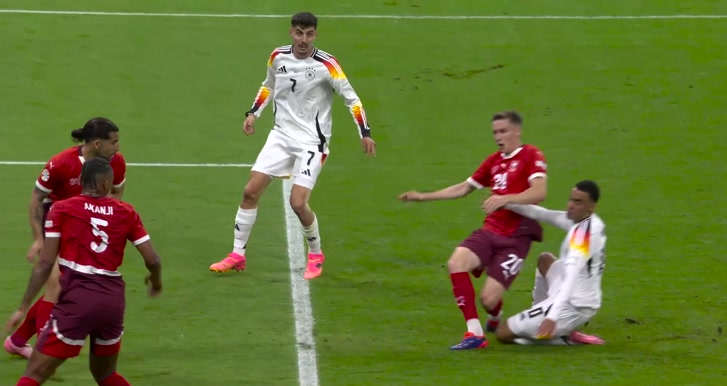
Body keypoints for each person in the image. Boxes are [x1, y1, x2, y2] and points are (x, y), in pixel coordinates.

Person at [1, 157, 161, 386]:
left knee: (34, 374)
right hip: (112, 303)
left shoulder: (62, 208)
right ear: (107, 183)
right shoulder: (126, 211)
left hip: (77, 302)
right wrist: (155, 282)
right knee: (106, 373)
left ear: (82, 182)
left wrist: (23, 306)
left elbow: (45, 263)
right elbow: (153, 260)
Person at [210, 11, 377, 279]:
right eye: (299, 33)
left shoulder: (327, 64)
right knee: (250, 191)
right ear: (291, 32)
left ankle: (316, 254)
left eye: (309, 34)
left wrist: (364, 132)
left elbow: (352, 100)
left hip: (312, 142)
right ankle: (238, 255)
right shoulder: (278, 56)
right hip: (281, 136)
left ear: (315, 35)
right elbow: (268, 86)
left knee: (298, 203)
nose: (303, 39)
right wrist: (253, 113)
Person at [398, 110, 547, 350]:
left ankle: (494, 314)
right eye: (495, 132)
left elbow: (539, 192)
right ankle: (475, 333)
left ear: (517, 130)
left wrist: (506, 199)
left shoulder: (531, 154)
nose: (498, 137)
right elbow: (464, 188)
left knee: (488, 300)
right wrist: (424, 196)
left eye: (503, 131)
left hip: (516, 237)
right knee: (456, 263)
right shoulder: (493, 161)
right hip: (490, 230)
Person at [4, 117, 127, 360]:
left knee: (66, 288)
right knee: (56, 285)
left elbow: (117, 193)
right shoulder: (61, 163)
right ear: (96, 144)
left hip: (82, 229)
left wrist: (105, 222)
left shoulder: (116, 162)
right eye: (113, 142)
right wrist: (38, 239)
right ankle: (42, 354)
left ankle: (17, 341)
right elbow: (36, 199)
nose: (117, 147)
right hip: (55, 223)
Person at [495, 180, 606, 346]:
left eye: (578, 202)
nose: (570, 205)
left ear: (591, 206)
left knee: (503, 333)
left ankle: (562, 339)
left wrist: (552, 317)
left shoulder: (583, 237)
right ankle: (538, 313)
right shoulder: (586, 221)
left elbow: (571, 277)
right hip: (575, 290)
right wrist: (506, 203)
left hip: (575, 305)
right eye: (571, 199)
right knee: (545, 260)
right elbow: (544, 214)